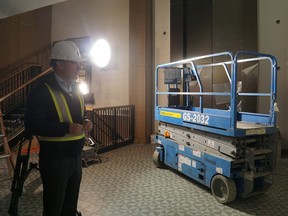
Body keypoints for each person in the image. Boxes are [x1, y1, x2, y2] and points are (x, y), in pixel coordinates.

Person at [25, 40, 93, 216]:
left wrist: (85, 121)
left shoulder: (77, 89)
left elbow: (80, 114)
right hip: (55, 160)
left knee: (69, 209)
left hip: (76, 158)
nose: (79, 67)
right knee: (54, 209)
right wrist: (66, 128)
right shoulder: (41, 91)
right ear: (59, 64)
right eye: (75, 62)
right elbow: (32, 125)